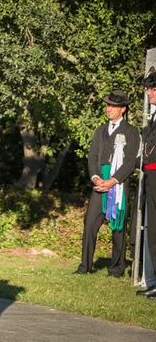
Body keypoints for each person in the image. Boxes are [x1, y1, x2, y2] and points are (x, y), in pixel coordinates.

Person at [73, 90, 139, 278]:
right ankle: (85, 266)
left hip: (118, 184)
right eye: (108, 105)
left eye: (113, 106)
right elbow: (92, 156)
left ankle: (116, 268)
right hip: (99, 181)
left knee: (118, 226)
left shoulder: (131, 131)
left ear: (123, 109)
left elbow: (129, 163)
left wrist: (112, 181)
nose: (109, 109)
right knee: (90, 224)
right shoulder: (100, 130)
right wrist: (95, 177)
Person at [136, 70, 156, 298]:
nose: (149, 93)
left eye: (153, 89)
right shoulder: (153, 115)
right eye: (148, 89)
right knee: (153, 232)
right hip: (151, 177)